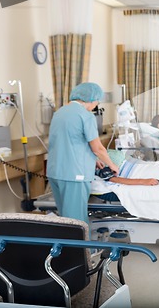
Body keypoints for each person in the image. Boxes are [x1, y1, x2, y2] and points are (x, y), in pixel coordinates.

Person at [47, 82, 120, 225]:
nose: (97, 104)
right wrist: (112, 165)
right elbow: (97, 148)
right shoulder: (86, 116)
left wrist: (93, 161)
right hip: (74, 175)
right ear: (92, 99)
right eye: (97, 101)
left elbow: (70, 142)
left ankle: (66, 247)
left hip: (55, 172)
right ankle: (82, 248)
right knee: (76, 221)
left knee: (64, 219)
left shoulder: (59, 113)